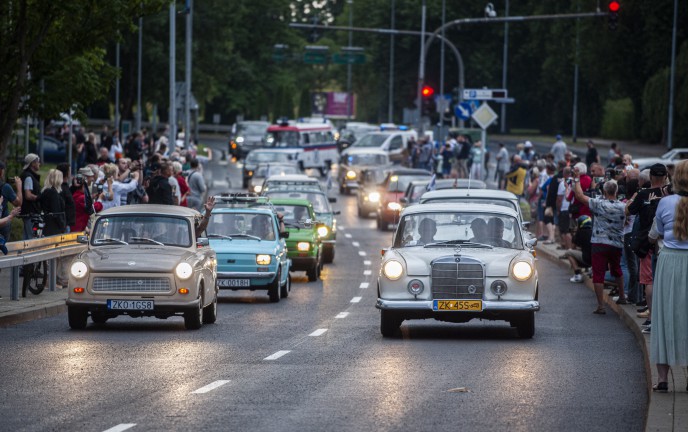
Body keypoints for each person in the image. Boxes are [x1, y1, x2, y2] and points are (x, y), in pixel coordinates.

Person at [647, 159, 688, 393]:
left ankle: (663, 380)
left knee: (664, 317)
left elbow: (655, 233)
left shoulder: (665, 202)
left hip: (669, 261)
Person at [572, 174, 629, 313]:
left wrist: (576, 179)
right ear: (616, 192)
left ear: (604, 191)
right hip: (616, 244)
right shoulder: (623, 206)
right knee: (617, 269)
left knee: (598, 274)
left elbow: (579, 196)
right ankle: (622, 296)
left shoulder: (598, 204)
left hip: (599, 243)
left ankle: (600, 306)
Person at [626, 163, 669, 330]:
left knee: (649, 280)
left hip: (647, 241)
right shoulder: (671, 194)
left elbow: (628, 211)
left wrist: (635, 195)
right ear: (665, 176)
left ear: (650, 177)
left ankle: (651, 317)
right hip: (667, 241)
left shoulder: (644, 194)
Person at [562, 215, 593, 282]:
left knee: (568, 253)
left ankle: (577, 274)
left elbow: (572, 248)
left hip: (586, 259)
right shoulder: (593, 231)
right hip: (596, 259)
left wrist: (574, 236)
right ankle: (591, 269)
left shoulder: (580, 232)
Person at [19, 153, 42, 239]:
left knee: (26, 236)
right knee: (30, 237)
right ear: (32, 163)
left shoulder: (30, 176)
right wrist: (39, 198)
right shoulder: (28, 177)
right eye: (38, 161)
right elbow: (28, 195)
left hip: (29, 212)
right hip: (30, 212)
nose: (39, 163)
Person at [39, 169, 67, 237]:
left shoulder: (45, 191)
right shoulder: (53, 193)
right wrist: (62, 225)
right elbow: (56, 211)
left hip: (47, 223)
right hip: (54, 227)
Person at [0, 161, 22, 241]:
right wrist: (19, 187)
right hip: (3, 223)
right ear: (1, 171)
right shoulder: (5, 187)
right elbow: (18, 203)